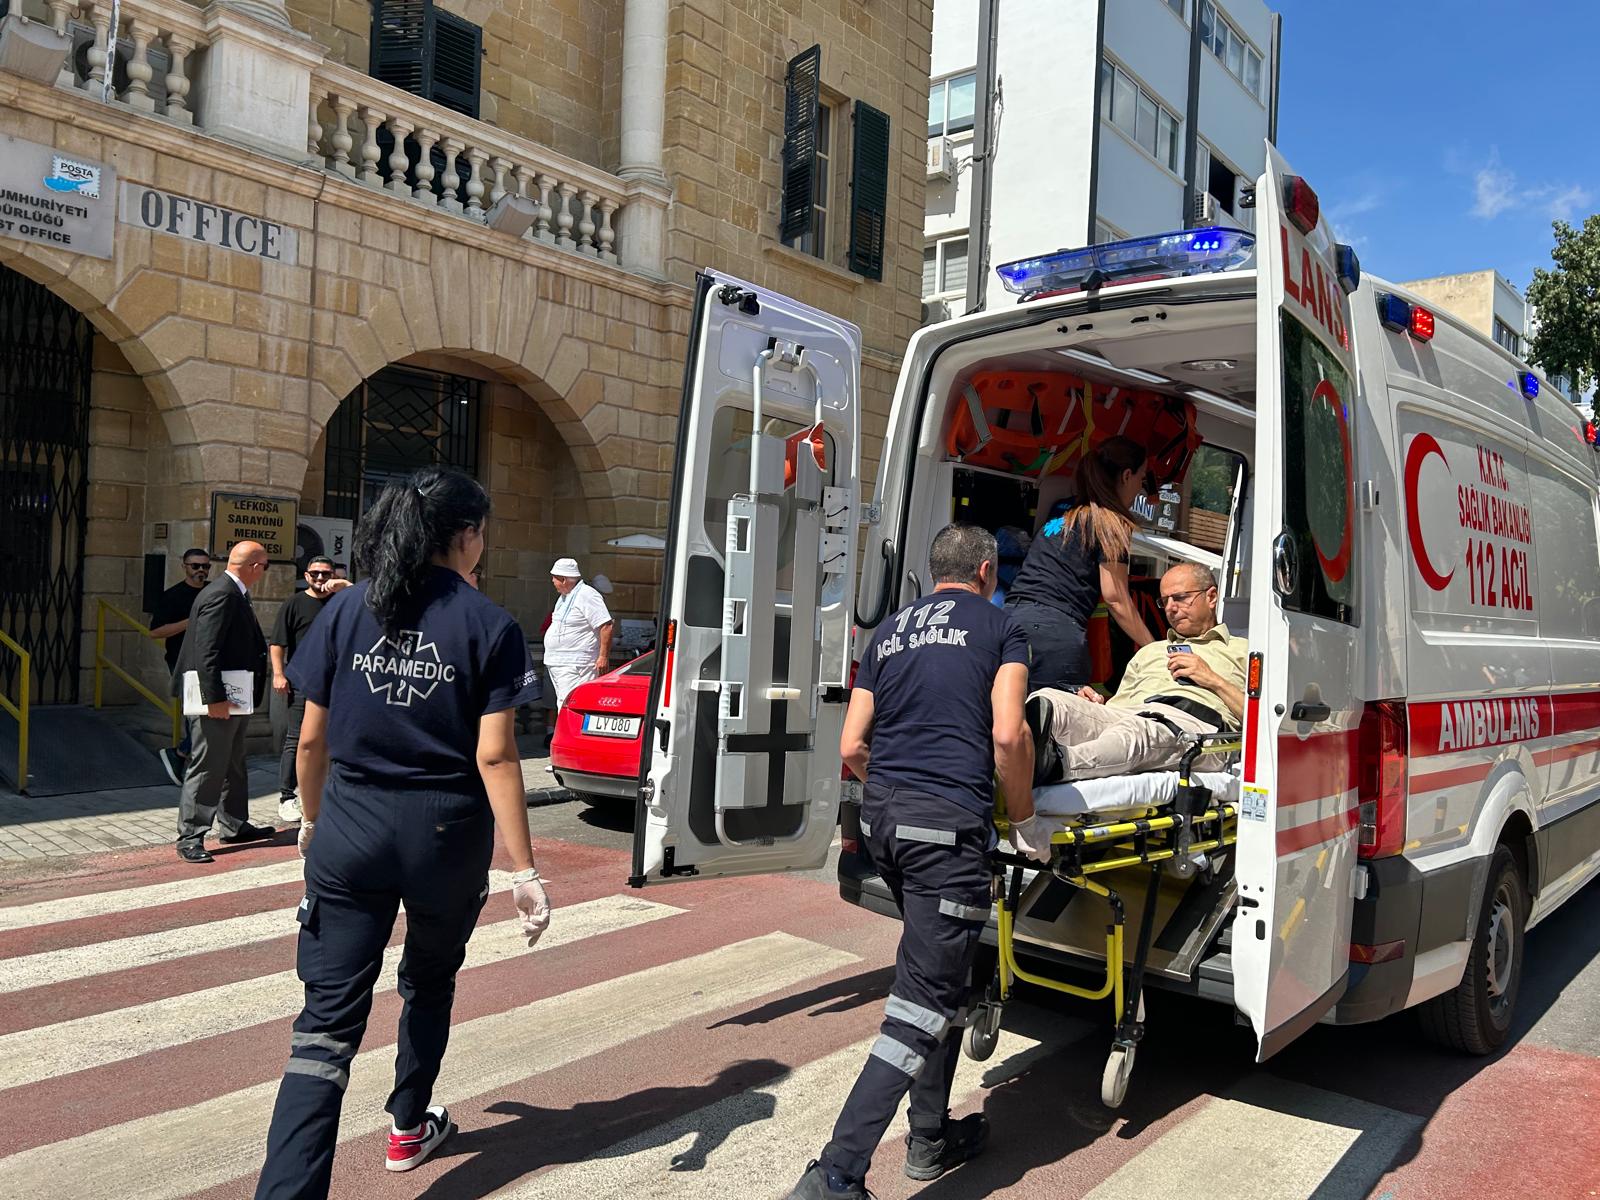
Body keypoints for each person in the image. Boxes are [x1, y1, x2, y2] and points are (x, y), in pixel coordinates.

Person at [254, 466, 549, 1198]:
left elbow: (310, 740)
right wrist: (525, 869)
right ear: (468, 535)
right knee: (429, 978)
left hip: (351, 826)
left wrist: (312, 821)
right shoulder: (491, 626)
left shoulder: (351, 609)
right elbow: (496, 755)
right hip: (444, 835)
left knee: (324, 1027)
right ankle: (409, 1124)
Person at [786, 525, 1046, 1200]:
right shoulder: (1001, 628)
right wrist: (1023, 821)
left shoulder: (890, 633)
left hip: (887, 828)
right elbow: (1008, 732)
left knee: (940, 980)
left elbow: (851, 742)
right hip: (946, 835)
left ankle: (929, 1135)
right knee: (920, 1008)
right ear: (987, 570)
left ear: (937, 573)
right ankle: (836, 1175)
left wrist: (893, 794)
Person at [1028, 563, 1247, 784]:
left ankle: (1053, 765)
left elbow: (1262, 722)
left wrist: (1212, 680)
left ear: (1211, 597)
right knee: (1051, 700)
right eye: (1165, 601)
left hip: (1198, 729)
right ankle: (1015, 758)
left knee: (1138, 731)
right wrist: (1095, 704)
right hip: (1133, 715)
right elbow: (1118, 709)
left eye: (1180, 597)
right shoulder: (1150, 651)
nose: (1170, 608)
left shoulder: (1244, 650)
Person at [1004, 436, 1158, 692]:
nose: (1141, 489)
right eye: (1142, 479)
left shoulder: (1062, 519)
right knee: (1053, 725)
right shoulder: (1110, 522)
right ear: (1127, 476)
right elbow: (1116, 598)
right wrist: (1154, 648)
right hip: (1053, 633)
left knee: (1005, 718)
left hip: (1009, 622)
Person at [172, 541, 275, 864]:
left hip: (236, 694)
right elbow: (207, 650)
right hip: (220, 698)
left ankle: (234, 824)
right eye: (265, 566)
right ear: (255, 566)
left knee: (232, 762)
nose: (264, 573)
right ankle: (191, 834)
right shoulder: (222, 594)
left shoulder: (233, 592)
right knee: (208, 765)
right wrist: (213, 698)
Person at [269, 556, 339, 823]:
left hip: (335, 683)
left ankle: (328, 793)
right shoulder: (294, 603)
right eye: (315, 574)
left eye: (326, 574)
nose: (320, 579)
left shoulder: (340, 602)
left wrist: (342, 587)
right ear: (306, 576)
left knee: (332, 739)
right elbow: (277, 643)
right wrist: (278, 674)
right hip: (301, 681)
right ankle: (287, 796)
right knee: (296, 739)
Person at [148, 548, 212, 783]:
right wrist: (190, 622)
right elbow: (155, 632)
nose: (201, 571)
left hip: (211, 660)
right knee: (195, 716)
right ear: (184, 566)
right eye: (196, 566)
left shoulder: (213, 592)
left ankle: (182, 754)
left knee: (207, 716)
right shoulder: (173, 596)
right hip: (183, 661)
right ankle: (185, 757)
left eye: (205, 566)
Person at [543, 556, 613, 708]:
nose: (552, 581)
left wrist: (603, 657)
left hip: (576, 665)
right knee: (565, 703)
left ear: (563, 579)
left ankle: (571, 732)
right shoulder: (564, 597)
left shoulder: (587, 594)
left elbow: (606, 625)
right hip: (561, 663)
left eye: (554, 578)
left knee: (574, 704)